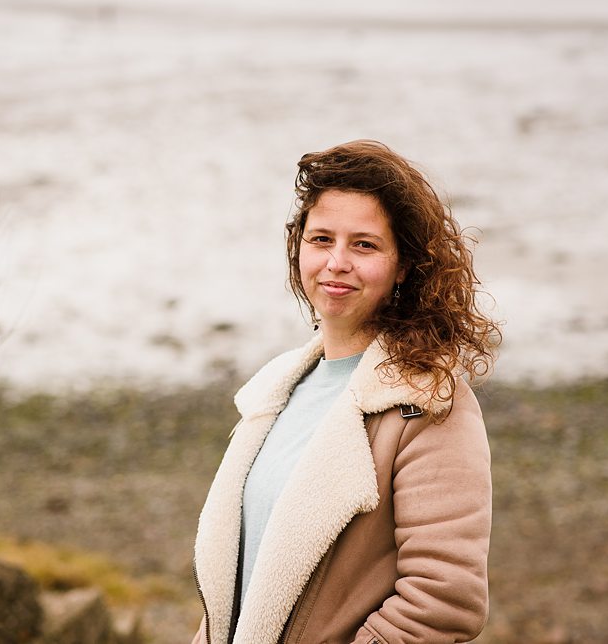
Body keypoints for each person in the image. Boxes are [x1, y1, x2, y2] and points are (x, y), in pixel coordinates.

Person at [191, 140, 500, 644]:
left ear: (404, 266)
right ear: (298, 249)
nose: (337, 262)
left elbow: (445, 599)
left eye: (364, 245)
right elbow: (235, 585)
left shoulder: (429, 403)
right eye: (321, 239)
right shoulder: (276, 390)